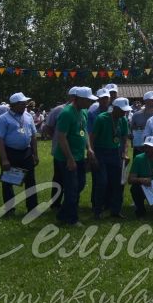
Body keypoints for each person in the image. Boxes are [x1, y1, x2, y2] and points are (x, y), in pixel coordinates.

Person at [54, 87, 96, 225]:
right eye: (88, 100)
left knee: (80, 185)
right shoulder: (66, 113)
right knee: (72, 188)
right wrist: (70, 159)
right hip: (67, 158)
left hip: (79, 156)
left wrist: (88, 148)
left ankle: (62, 214)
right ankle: (71, 219)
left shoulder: (83, 111)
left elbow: (84, 131)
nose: (90, 103)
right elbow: (61, 137)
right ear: (79, 99)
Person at [0, 92, 39, 215]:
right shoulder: (4, 118)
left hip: (26, 152)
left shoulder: (28, 116)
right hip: (10, 152)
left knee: (30, 181)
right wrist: (4, 159)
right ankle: (10, 210)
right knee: (8, 181)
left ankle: (32, 208)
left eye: (25, 103)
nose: (25, 105)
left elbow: (33, 136)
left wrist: (35, 154)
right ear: (13, 105)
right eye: (22, 104)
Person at [89, 97, 131, 219]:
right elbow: (92, 137)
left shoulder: (123, 120)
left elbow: (124, 138)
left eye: (125, 110)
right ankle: (97, 210)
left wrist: (125, 152)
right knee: (102, 182)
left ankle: (115, 210)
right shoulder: (102, 118)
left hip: (115, 153)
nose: (124, 113)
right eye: (122, 110)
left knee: (119, 183)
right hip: (101, 152)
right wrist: (92, 153)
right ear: (115, 108)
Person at [128, 136, 153, 217]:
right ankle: (140, 209)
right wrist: (141, 180)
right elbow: (130, 179)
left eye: (150, 147)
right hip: (144, 186)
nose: (146, 149)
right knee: (135, 188)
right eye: (145, 147)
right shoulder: (138, 158)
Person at [130, 91, 153, 156]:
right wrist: (132, 136)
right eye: (152, 100)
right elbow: (132, 130)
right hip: (139, 148)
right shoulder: (136, 115)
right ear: (146, 101)